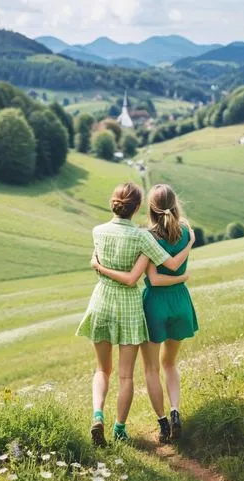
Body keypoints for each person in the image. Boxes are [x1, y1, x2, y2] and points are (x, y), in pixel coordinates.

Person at [76, 182, 194, 446]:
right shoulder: (143, 237)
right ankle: (119, 428)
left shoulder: (98, 231)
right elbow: (136, 277)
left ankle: (98, 415)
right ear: (137, 207)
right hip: (131, 308)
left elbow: (100, 261)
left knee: (101, 369)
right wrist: (189, 252)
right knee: (126, 375)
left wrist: (97, 266)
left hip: (102, 302)